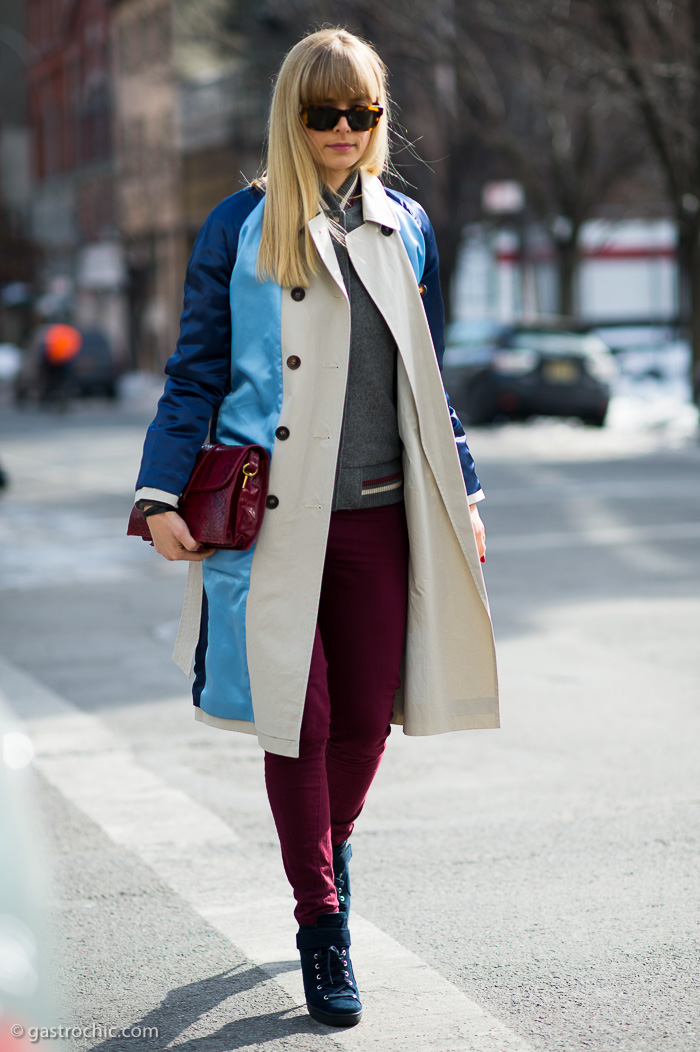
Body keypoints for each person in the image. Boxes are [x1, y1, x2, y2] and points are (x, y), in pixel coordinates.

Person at [133, 27, 499, 1029]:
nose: (342, 129)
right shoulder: (240, 226)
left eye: (361, 112)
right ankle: (322, 925)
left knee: (367, 716)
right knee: (300, 714)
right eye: (322, 112)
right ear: (290, 116)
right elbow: (196, 371)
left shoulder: (407, 225)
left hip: (386, 513)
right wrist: (162, 491)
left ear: (379, 119)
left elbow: (427, 381)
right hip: (277, 520)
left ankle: (325, 847)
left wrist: (461, 490)